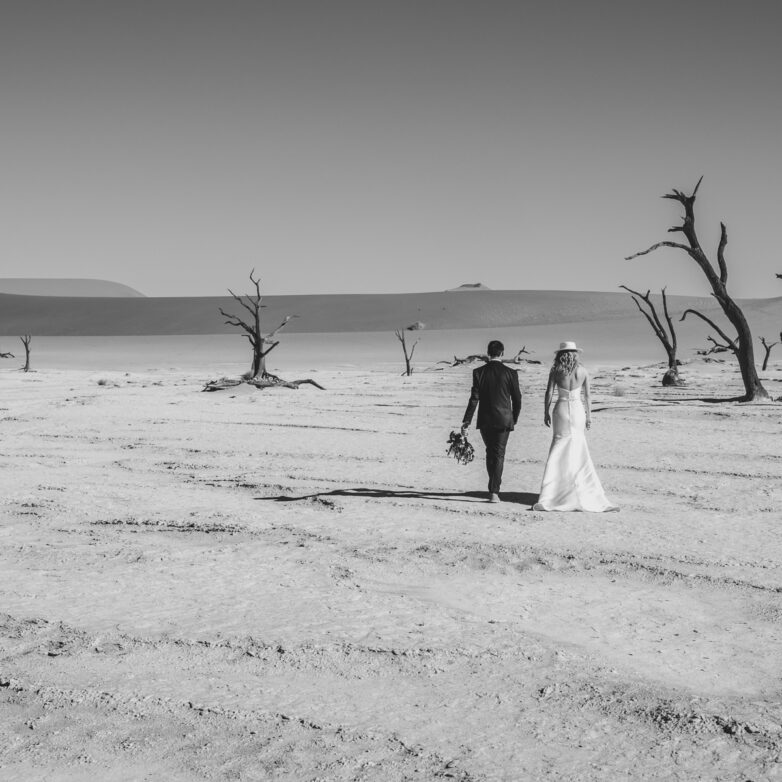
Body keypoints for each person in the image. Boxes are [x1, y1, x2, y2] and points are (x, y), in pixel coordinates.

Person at [533, 342, 618, 512]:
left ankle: (553, 493)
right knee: (578, 447)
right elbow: (587, 396)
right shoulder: (583, 371)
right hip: (578, 410)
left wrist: (545, 411)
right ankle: (581, 489)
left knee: (559, 446)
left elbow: (549, 392)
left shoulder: (556, 370)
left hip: (561, 409)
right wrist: (589, 416)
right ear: (575, 354)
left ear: (560, 354)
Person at [461, 340, 522, 503]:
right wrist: (513, 418)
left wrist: (466, 421)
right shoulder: (511, 373)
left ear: (488, 353)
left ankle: (493, 490)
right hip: (504, 420)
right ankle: (494, 491)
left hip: (486, 419)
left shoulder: (478, 372)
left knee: (490, 452)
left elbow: (474, 399)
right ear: (502, 353)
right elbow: (517, 399)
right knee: (499, 453)